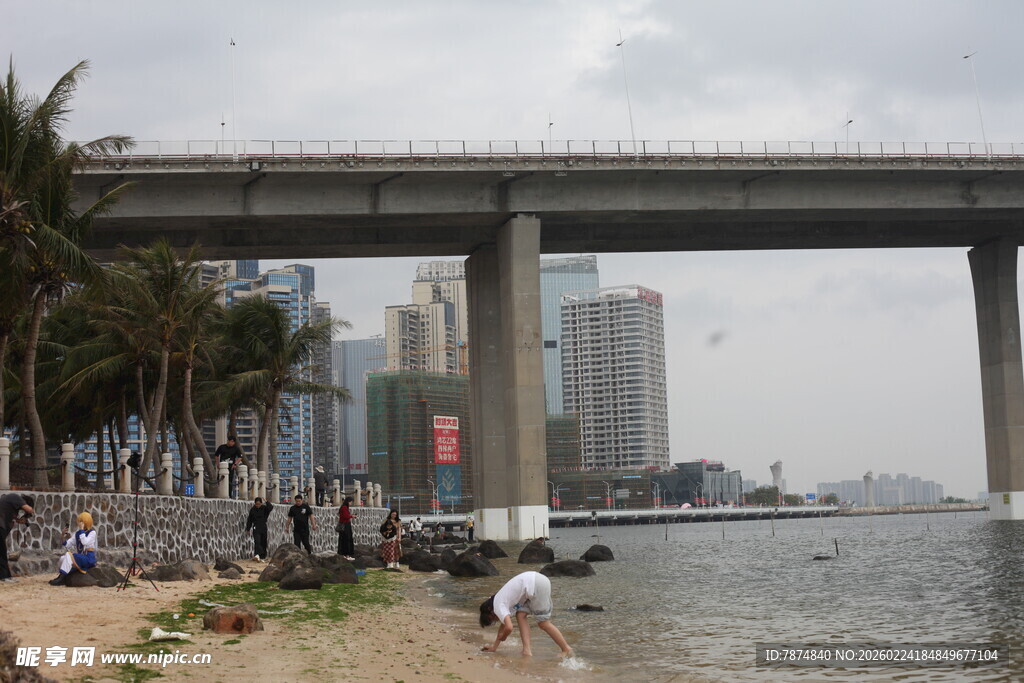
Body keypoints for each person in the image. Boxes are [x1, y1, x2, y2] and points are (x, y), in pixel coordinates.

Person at [479, 570, 573, 658]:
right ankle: (526, 651)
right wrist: (494, 647)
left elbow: (509, 627)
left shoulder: (498, 606)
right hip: (536, 580)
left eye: (491, 618)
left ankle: (566, 649)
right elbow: (503, 626)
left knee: (543, 623)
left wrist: (504, 636)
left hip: (536, 585)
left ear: (489, 609)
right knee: (520, 615)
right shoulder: (497, 599)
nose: (495, 620)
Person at [50, 512, 98, 586]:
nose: (79, 523)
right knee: (63, 558)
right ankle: (62, 577)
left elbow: (85, 542)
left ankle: (61, 579)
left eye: (81, 521)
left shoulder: (92, 532)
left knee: (69, 554)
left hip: (88, 559)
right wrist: (63, 535)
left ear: (85, 522)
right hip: (81, 558)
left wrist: (82, 530)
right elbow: (67, 545)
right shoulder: (78, 533)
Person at [0, 493, 34, 583]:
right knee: (2, 553)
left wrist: (20, 520)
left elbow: (9, 516)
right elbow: (30, 510)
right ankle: (5, 577)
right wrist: (27, 514)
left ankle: (5, 576)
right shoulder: (15, 497)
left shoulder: (11, 503)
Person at [245, 497, 273, 561]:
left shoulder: (264, 508)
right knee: (257, 541)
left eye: (259, 504)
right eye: (256, 504)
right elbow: (249, 520)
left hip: (263, 526)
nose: (258, 505)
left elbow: (270, 507)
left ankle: (263, 555)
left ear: (261, 503)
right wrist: (248, 528)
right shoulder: (252, 510)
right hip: (256, 526)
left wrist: (266, 501)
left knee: (263, 541)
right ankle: (257, 554)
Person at [337, 496, 356, 560]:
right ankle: (347, 555)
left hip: (345, 525)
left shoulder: (343, 507)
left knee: (343, 539)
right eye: (350, 502)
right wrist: (352, 516)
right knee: (346, 539)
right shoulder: (344, 508)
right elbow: (345, 516)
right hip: (345, 525)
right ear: (348, 502)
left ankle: (343, 554)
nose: (351, 503)